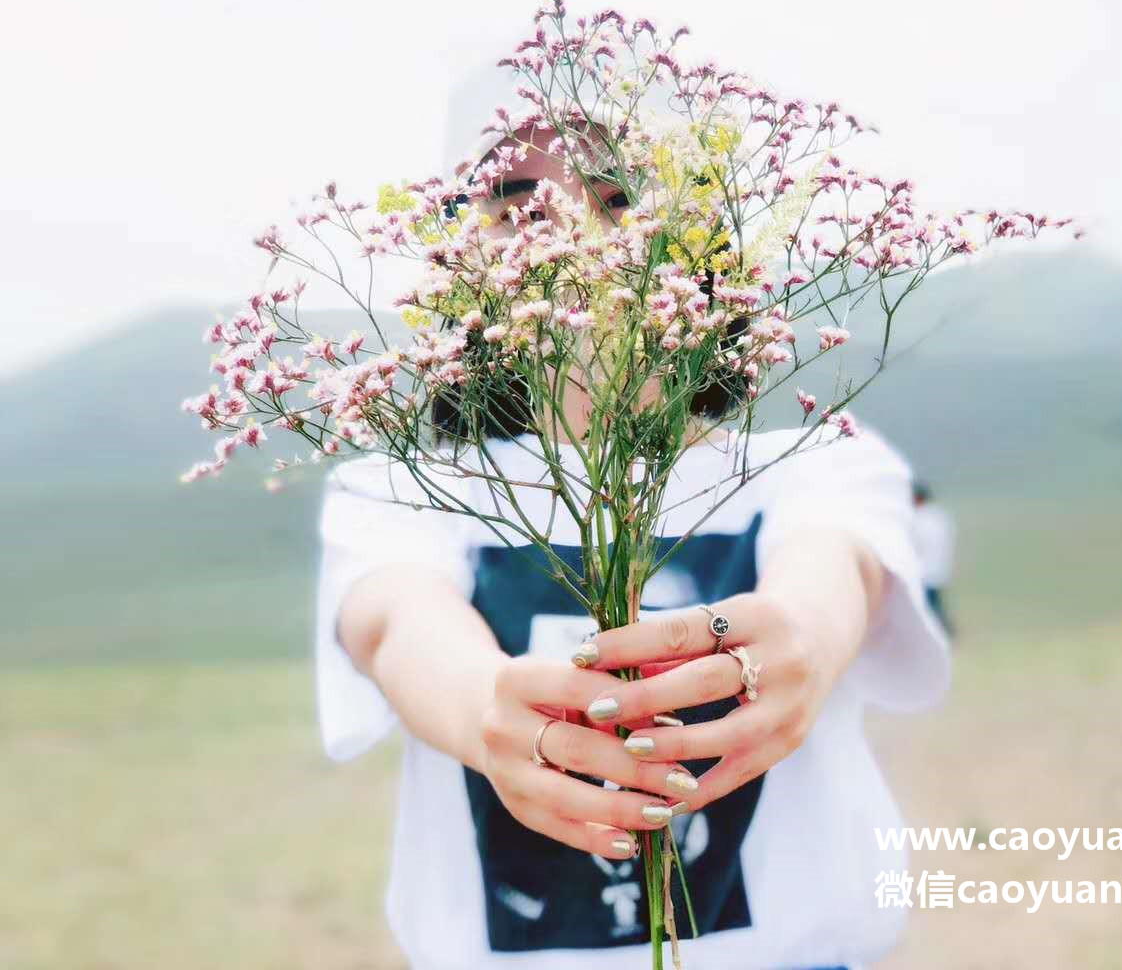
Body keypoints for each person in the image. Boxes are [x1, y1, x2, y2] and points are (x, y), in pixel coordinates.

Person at [313, 121, 950, 970]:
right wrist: (488, 711)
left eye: (618, 201)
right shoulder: (397, 491)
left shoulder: (817, 458)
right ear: (461, 269)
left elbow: (833, 575)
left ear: (704, 242)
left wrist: (797, 641)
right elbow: (396, 621)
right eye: (522, 212)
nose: (579, 237)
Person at [911, 480, 956, 636]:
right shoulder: (939, 516)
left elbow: (917, 544)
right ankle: (946, 632)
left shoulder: (920, 518)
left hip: (924, 572)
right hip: (938, 569)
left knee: (929, 608)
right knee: (933, 606)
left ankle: (945, 634)